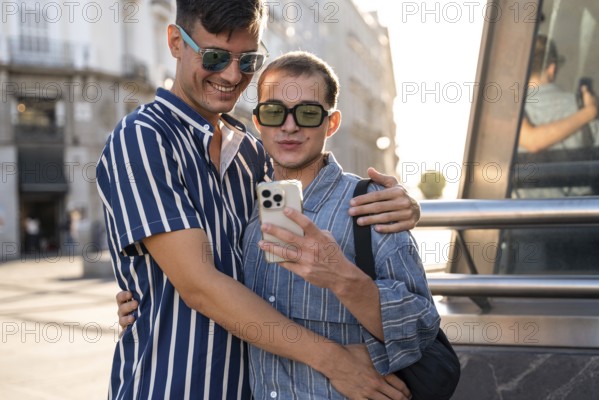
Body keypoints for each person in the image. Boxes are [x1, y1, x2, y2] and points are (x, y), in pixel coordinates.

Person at [100, 1, 418, 399]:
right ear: (175, 42)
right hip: (169, 385)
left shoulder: (253, 155)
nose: (232, 76)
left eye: (247, 60)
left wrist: (403, 204)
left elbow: (282, 262)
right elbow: (199, 286)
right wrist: (336, 362)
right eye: (214, 57)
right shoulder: (143, 138)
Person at [243, 51, 440, 398]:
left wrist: (342, 278)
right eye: (274, 112)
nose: (289, 126)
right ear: (259, 121)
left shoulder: (370, 206)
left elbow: (421, 327)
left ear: (330, 123)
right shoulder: (243, 207)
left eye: (307, 113)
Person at [515, 34, 599, 198]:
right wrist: (591, 112)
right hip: (581, 217)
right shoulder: (584, 107)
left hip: (521, 218)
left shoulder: (509, 113)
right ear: (552, 69)